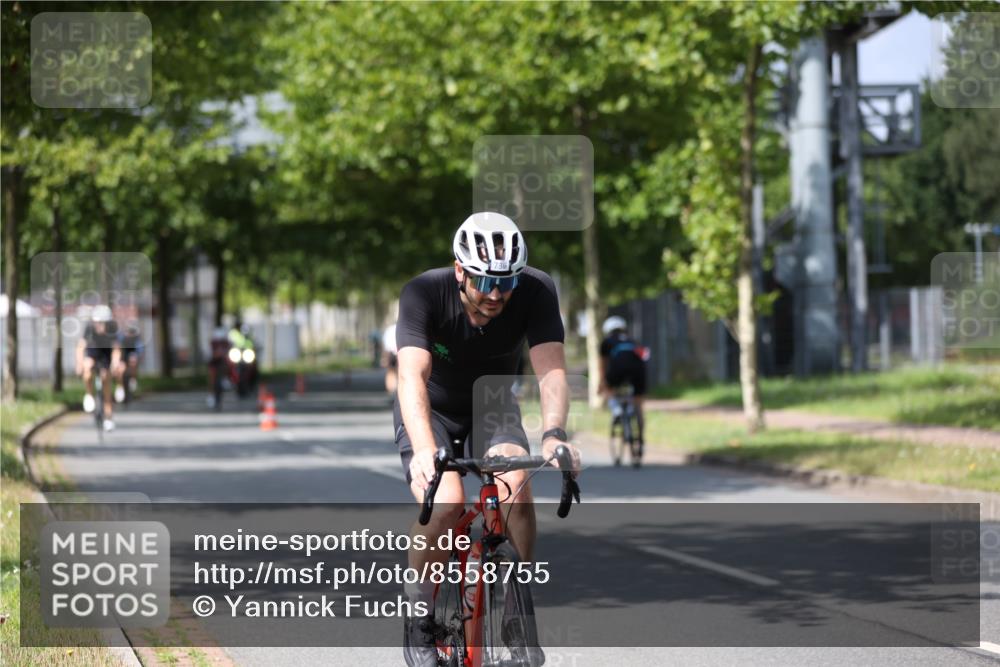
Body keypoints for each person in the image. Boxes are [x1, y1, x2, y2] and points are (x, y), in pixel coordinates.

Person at [394, 211, 581, 667]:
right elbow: (411, 376)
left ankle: (516, 612)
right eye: (485, 281)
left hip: (492, 405)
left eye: (506, 282)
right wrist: (424, 450)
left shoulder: (536, 290)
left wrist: (554, 433)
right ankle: (420, 615)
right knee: (447, 501)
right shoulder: (424, 292)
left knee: (516, 482)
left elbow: (551, 371)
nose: (496, 294)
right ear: (460, 270)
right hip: (431, 409)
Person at [599, 315, 648, 450]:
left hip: (618, 369)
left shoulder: (606, 342)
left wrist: (602, 383)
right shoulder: (633, 340)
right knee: (638, 403)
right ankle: (640, 438)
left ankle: (616, 409)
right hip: (638, 370)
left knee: (609, 389)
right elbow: (643, 357)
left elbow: (602, 365)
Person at [75, 305, 121, 432]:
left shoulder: (112, 330)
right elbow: (80, 347)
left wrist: (115, 363)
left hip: (105, 358)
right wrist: (79, 364)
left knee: (106, 383)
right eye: (98, 322)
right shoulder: (89, 329)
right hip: (92, 356)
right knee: (87, 367)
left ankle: (108, 418)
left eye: (103, 323)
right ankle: (89, 394)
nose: (100, 325)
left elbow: (116, 349)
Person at [114, 322, 144, 403]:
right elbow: (117, 348)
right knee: (120, 369)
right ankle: (120, 386)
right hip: (123, 355)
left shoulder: (136, 338)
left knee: (133, 361)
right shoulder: (120, 337)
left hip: (132, 354)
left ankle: (133, 379)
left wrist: (137, 357)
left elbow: (140, 350)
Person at [207, 325, 231, 408]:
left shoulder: (226, 344)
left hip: (222, 363)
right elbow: (210, 357)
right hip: (213, 363)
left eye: (222, 342)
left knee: (228, 364)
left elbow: (228, 354)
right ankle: (211, 395)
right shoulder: (212, 345)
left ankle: (226, 378)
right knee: (212, 379)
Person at [381, 322, 398, 394]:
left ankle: (391, 391)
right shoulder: (404, 327)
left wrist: (384, 358)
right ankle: (398, 391)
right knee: (401, 371)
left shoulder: (389, 329)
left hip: (390, 353)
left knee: (390, 371)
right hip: (400, 352)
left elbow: (386, 345)